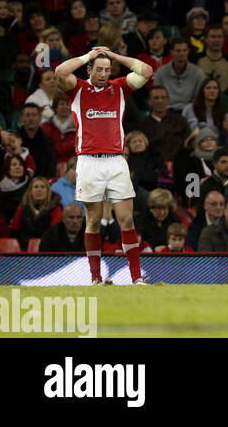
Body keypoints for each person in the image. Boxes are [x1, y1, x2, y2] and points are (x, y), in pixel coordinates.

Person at [54, 44, 154, 284]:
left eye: (107, 70)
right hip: (88, 161)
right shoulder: (77, 89)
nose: (103, 74)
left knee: (127, 220)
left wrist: (115, 56)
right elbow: (60, 71)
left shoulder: (119, 88)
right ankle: (96, 278)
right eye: (98, 69)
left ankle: (136, 278)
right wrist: (87, 54)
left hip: (117, 161)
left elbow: (147, 71)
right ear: (89, 70)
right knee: (94, 220)